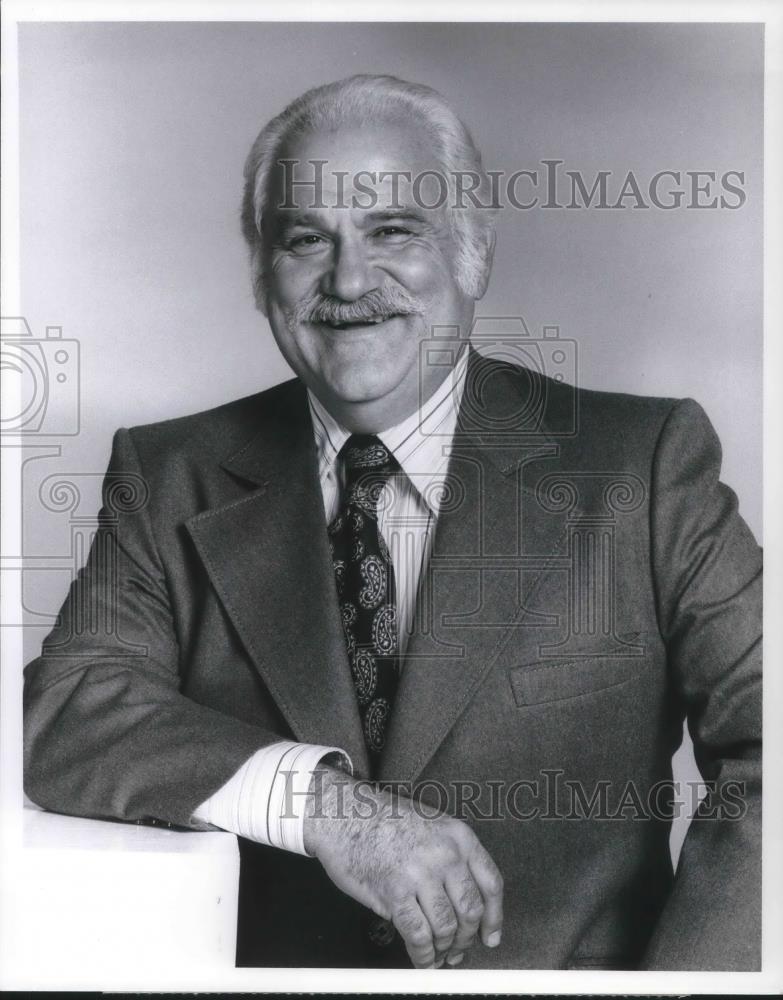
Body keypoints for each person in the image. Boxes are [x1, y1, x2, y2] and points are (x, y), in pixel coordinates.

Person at [23, 74, 762, 971]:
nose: (347, 280)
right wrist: (326, 806)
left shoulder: (641, 466)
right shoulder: (169, 473)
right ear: (262, 275)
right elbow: (69, 706)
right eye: (307, 240)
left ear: (472, 252)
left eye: (392, 231)